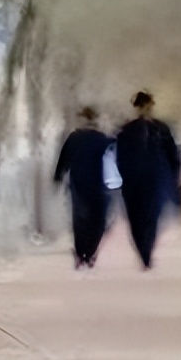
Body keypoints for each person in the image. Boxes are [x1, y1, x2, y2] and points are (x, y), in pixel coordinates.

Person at [115, 91, 181, 268]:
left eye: (148, 107)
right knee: (136, 218)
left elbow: (173, 155)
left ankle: (147, 252)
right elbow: (120, 156)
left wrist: (172, 179)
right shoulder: (126, 130)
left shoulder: (161, 129)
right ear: (137, 108)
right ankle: (143, 249)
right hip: (133, 183)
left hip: (154, 180)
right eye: (143, 107)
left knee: (152, 216)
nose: (146, 110)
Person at [54, 107, 113, 269]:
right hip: (99, 185)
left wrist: (58, 176)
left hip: (78, 183)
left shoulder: (74, 138)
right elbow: (113, 160)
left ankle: (81, 253)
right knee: (98, 220)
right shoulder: (103, 139)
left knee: (80, 219)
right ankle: (90, 251)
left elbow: (64, 159)